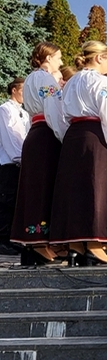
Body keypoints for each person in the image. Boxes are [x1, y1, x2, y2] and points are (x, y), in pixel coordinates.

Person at [49, 41, 107, 266]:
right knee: (98, 190)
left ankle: (75, 245)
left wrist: (67, 136)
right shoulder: (101, 82)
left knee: (76, 191)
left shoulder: (72, 81)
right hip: (97, 137)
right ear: (98, 58)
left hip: (74, 137)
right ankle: (94, 245)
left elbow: (60, 114)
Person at [11, 43, 68, 264]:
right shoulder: (45, 80)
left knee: (35, 188)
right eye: (59, 57)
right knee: (43, 188)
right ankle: (39, 242)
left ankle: (35, 241)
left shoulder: (31, 78)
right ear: (49, 57)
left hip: (36, 134)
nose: (61, 62)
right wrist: (63, 136)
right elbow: (52, 108)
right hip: (46, 135)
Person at [0, 77, 29, 254]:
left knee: (15, 203)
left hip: (19, 162)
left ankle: (12, 239)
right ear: (14, 90)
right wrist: (18, 157)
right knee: (6, 202)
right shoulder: (5, 110)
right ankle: (2, 239)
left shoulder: (23, 113)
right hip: (9, 162)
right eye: (22, 91)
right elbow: (9, 137)